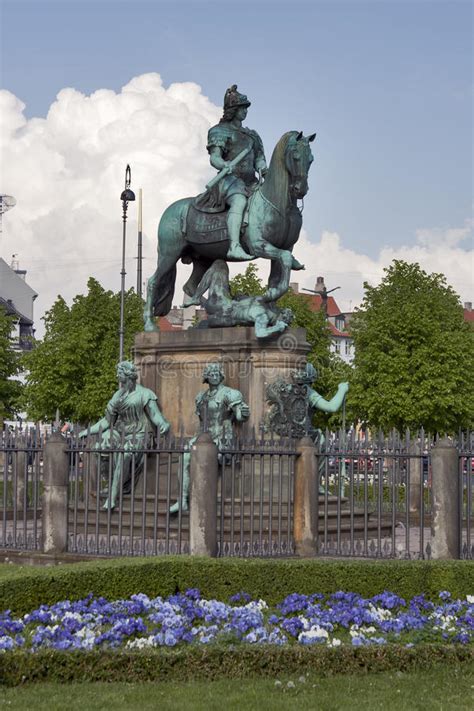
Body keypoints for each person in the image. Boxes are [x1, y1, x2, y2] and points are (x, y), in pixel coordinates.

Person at [79, 361, 170, 510]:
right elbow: (107, 421)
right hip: (120, 432)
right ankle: (112, 484)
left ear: (128, 375)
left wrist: (163, 424)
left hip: (140, 434)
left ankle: (113, 496)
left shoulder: (145, 394)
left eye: (120, 373)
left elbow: (155, 415)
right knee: (100, 446)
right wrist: (87, 431)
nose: (117, 375)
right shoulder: (118, 395)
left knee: (125, 453)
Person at [170, 362, 249, 513]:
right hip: (204, 436)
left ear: (221, 376)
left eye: (217, 374)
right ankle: (183, 500)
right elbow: (202, 421)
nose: (214, 376)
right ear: (206, 377)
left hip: (223, 436)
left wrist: (243, 414)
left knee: (207, 457)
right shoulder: (200, 397)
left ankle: (204, 502)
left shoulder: (230, 393)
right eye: (211, 374)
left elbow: (239, 414)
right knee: (184, 457)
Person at [206, 84, 267, 261]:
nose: (245, 111)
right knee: (239, 201)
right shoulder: (219, 131)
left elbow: (259, 160)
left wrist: (264, 169)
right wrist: (224, 164)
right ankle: (234, 246)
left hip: (251, 181)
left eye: (246, 108)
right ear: (233, 110)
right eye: (242, 108)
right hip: (229, 181)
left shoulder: (252, 136)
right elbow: (214, 158)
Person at [186, 260, 294, 338]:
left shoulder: (262, 315)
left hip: (222, 310)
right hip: (225, 306)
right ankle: (196, 298)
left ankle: (196, 297)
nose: (276, 308)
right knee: (219, 264)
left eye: (279, 310)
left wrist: (277, 328)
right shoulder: (263, 306)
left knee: (219, 265)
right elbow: (281, 288)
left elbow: (260, 333)